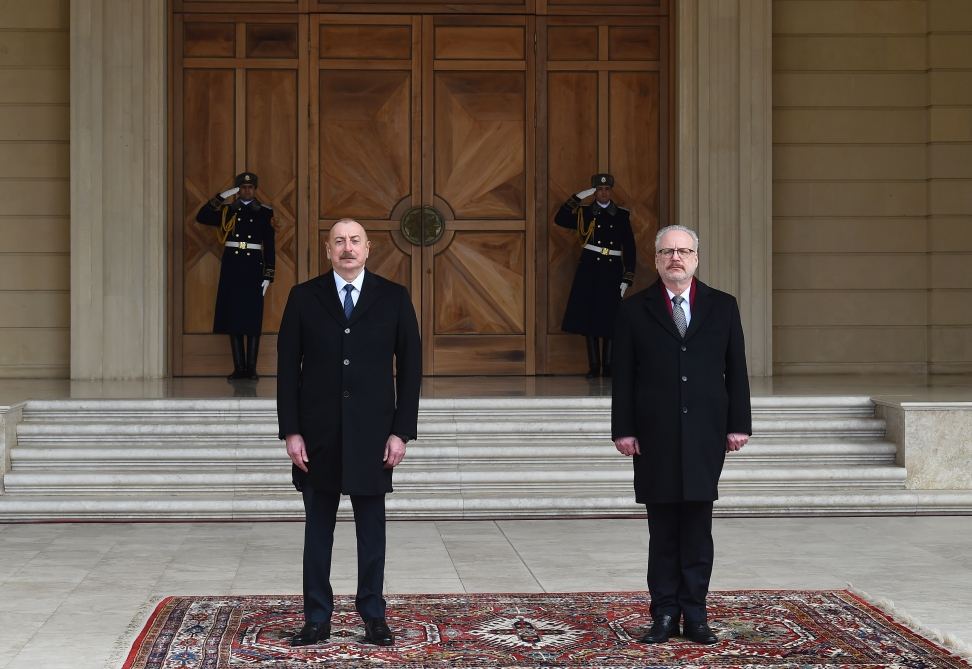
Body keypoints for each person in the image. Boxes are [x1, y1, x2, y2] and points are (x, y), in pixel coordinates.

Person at [276, 218, 422, 648]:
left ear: (368, 248)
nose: (347, 248)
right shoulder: (303, 298)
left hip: (373, 435)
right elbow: (287, 370)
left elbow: (410, 370)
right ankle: (316, 618)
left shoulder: (393, 297)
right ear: (327, 250)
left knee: (371, 530)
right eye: (339, 241)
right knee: (317, 529)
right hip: (317, 435)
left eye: (354, 241)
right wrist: (291, 431)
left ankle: (373, 615)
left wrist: (401, 432)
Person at [611, 224, 751, 645]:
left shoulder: (722, 306)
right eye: (668, 251)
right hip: (654, 436)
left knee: (697, 528)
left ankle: (696, 614)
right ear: (655, 259)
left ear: (696, 258)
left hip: (706, 434)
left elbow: (737, 369)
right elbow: (624, 378)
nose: (676, 258)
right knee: (663, 530)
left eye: (684, 251)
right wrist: (624, 429)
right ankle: (664, 615)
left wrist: (739, 423)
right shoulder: (634, 310)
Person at [553, 173, 636, 377]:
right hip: (590, 269)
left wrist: (628, 276)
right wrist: (579, 196)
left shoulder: (621, 215)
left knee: (610, 318)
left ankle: (608, 365)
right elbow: (560, 218)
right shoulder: (585, 213)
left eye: (607, 189)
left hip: (611, 270)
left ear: (611, 191)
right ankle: (594, 365)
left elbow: (630, 247)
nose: (603, 193)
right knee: (589, 318)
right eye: (599, 190)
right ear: (594, 192)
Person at [196, 171, 275, 380]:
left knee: (252, 317)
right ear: (237, 190)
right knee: (234, 316)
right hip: (233, 267)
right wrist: (221, 196)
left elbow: (270, 245)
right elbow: (201, 216)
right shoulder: (228, 211)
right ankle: (238, 368)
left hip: (253, 268)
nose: (247, 191)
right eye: (242, 187)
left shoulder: (264, 212)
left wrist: (269, 274)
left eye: (250, 187)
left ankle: (251, 369)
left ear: (255, 189)